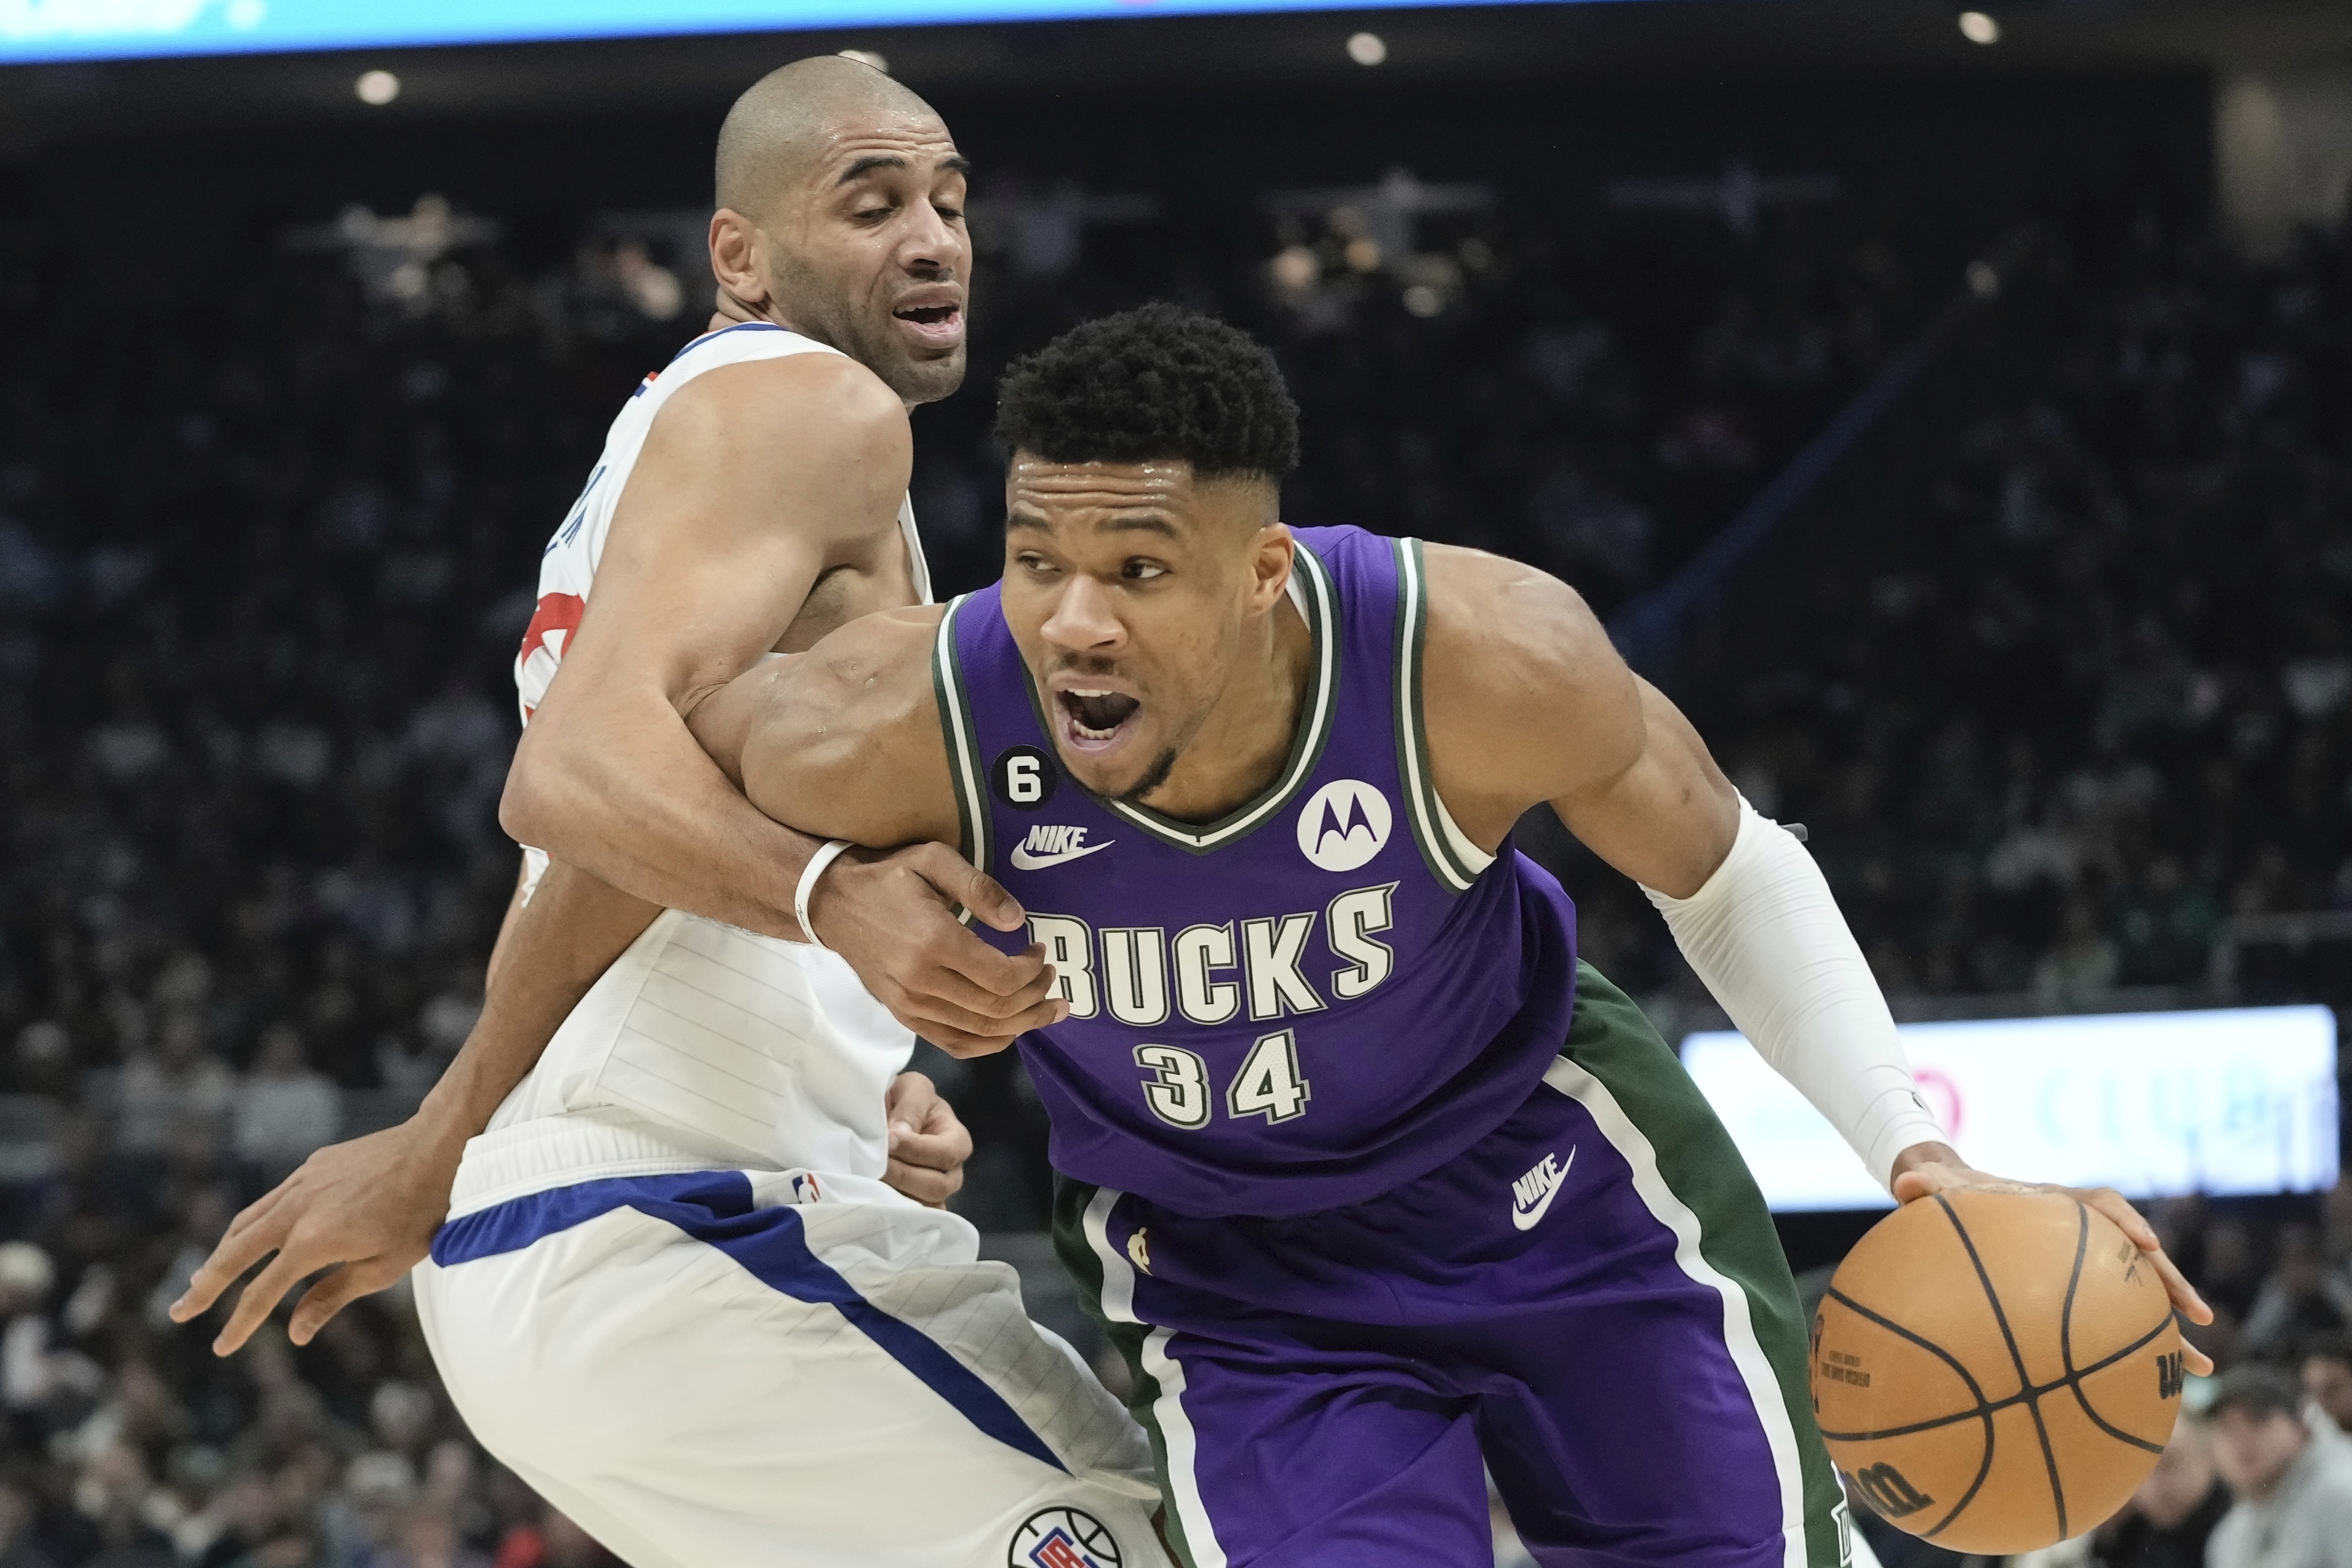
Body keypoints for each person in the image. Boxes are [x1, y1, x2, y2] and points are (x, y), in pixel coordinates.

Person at [658, 303, 2214, 1567]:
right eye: (1037, 562)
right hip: (1232, 1270)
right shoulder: (907, 715)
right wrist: (818, 908)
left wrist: (1914, 1147)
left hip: (1549, 1184)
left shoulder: (1474, 658)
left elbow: (1726, 869)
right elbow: (609, 771)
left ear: (1262, 574)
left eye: (1137, 570)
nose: (1073, 621)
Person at [172, 56, 1165, 1568]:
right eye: (873, 203)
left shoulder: (710, 440)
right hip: (665, 1216)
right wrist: (827, 902)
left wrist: (846, 1073)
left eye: (952, 203)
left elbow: (630, 829)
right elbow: (574, 778)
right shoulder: (809, 402)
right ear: (740, 255)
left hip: (647, 1222)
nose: (933, 240)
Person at [2207, 1366, 2352, 1568]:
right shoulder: (2228, 1537)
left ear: (2300, 1425)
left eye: (2257, 1419)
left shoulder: (2342, 1491)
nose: (2241, 1438)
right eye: (2226, 1428)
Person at [2087, 1414, 2230, 1568]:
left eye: (2169, 1464)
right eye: (2138, 1475)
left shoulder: (2236, 1535)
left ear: (2207, 1455)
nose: (2152, 1489)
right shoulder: (2137, 1536)